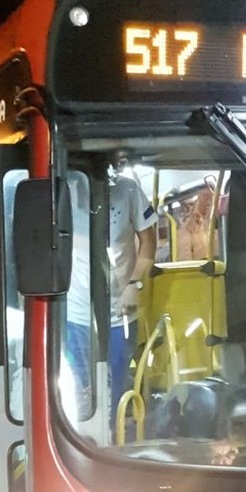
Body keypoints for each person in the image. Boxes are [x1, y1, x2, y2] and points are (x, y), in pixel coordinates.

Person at [65, 161, 158, 414]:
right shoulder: (64, 189)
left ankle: (114, 442)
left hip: (121, 314)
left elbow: (149, 242)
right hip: (77, 314)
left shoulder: (128, 190)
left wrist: (135, 285)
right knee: (79, 390)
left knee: (115, 389)